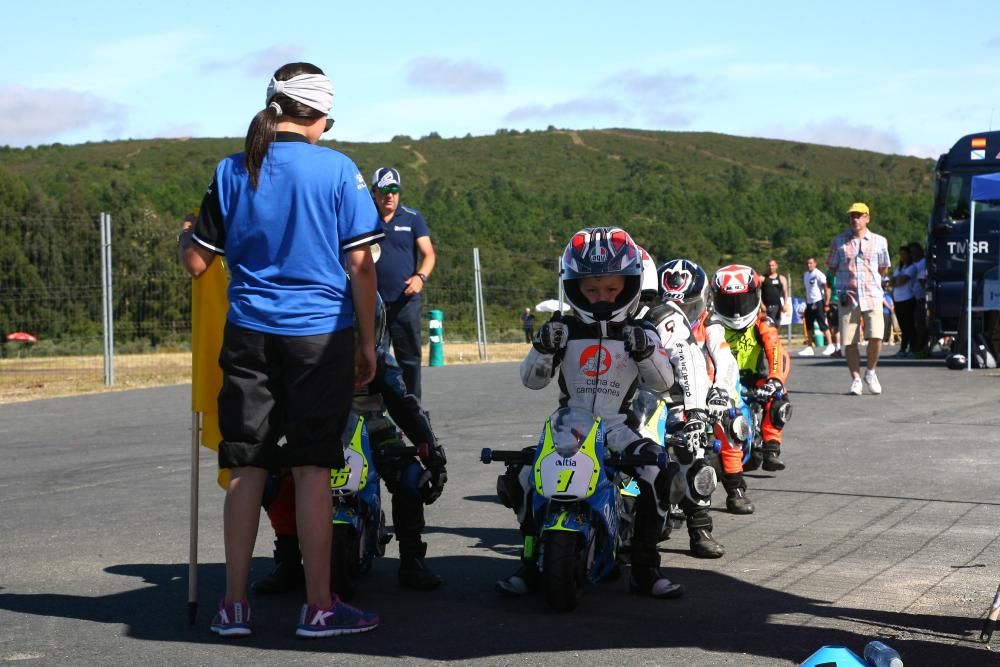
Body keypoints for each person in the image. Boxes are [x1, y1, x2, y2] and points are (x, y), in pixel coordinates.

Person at [179, 62, 382, 639]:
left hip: (248, 333)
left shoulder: (232, 169)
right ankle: (319, 607)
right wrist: (367, 342)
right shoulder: (340, 170)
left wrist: (184, 232)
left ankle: (233, 607)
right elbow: (362, 265)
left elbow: (197, 262)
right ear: (318, 115)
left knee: (246, 465)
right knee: (313, 468)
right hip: (320, 334)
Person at [497, 227, 685, 599]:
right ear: (574, 287)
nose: (603, 298)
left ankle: (646, 570)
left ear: (630, 285)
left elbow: (664, 385)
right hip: (569, 426)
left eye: (612, 289)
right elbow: (532, 381)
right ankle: (529, 562)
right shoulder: (561, 328)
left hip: (619, 431)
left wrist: (647, 351)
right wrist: (543, 349)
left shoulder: (643, 329)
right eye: (592, 289)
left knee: (653, 477)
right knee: (522, 478)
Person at [252, 297, 447, 596]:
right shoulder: (305, 360)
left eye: (357, 330)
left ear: (373, 329)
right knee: (275, 479)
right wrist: (265, 444)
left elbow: (404, 404)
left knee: (410, 476)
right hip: (320, 433)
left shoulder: (380, 360)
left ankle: (412, 560)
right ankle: (288, 561)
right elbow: (281, 405)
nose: (349, 339)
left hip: (376, 432)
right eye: (342, 330)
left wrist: (430, 449)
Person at [639, 253, 724, 559]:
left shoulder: (665, 315)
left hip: (672, 399)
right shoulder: (602, 318)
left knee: (693, 453)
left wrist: (696, 412)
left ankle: (700, 528)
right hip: (629, 402)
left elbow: (687, 361)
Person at [662, 259, 756, 515]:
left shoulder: (710, 322)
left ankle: (735, 487)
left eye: (689, 304)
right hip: (668, 393)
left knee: (732, 420)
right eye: (675, 304)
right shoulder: (656, 321)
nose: (683, 310)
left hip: (709, 389)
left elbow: (723, 356)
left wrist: (721, 390)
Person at [709, 264, 792, 472]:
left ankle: (772, 447)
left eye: (742, 300)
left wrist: (775, 380)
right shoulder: (710, 325)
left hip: (753, 380)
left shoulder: (762, 323)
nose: (736, 310)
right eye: (728, 302)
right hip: (720, 383)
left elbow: (776, 351)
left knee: (779, 395)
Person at [371, 167, 436, 400]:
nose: (390, 195)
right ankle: (378, 417)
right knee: (375, 362)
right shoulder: (364, 218)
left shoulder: (412, 217)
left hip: (405, 303)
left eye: (394, 189)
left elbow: (429, 254)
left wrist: (421, 277)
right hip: (373, 305)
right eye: (384, 190)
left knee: (409, 362)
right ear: (374, 192)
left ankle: (414, 413)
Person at [826, 202, 891, 396]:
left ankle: (870, 372)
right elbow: (832, 266)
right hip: (849, 295)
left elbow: (884, 267)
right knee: (849, 339)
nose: (855, 219)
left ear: (867, 218)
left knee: (877, 335)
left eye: (859, 215)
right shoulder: (839, 241)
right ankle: (855, 379)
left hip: (872, 294)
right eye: (852, 216)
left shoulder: (880, 241)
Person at [799, 257, 835, 356]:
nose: (809, 265)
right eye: (807, 263)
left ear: (815, 264)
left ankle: (831, 345)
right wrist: (805, 303)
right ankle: (809, 347)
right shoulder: (806, 275)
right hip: (809, 303)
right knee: (809, 325)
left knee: (822, 323)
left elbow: (826, 288)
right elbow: (808, 290)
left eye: (811, 263)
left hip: (818, 301)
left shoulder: (818, 274)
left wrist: (826, 303)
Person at [889, 245, 914, 358]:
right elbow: (892, 281)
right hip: (898, 300)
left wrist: (896, 280)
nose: (902, 257)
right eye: (901, 254)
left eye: (904, 254)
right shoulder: (899, 268)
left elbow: (901, 281)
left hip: (908, 299)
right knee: (902, 326)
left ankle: (910, 348)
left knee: (909, 325)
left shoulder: (912, 267)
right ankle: (903, 348)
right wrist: (895, 281)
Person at [908, 242, 928, 357]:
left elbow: (922, 278)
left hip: (922, 298)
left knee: (920, 324)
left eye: (915, 252)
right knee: (915, 324)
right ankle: (917, 347)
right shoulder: (914, 264)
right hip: (914, 297)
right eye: (911, 252)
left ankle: (920, 348)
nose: (913, 254)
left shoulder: (923, 263)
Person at [761, 258, 790, 324]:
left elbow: (785, 292)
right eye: (769, 265)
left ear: (776, 266)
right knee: (767, 328)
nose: (771, 267)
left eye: (773, 265)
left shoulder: (782, 278)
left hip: (777, 307)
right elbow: (757, 292)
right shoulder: (762, 278)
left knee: (776, 326)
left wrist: (785, 304)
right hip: (765, 308)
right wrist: (761, 304)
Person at [824, 268, 841, 356]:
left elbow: (828, 289)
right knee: (835, 326)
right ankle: (838, 348)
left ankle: (838, 348)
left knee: (835, 327)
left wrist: (826, 303)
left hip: (838, 300)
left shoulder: (831, 272)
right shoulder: (830, 273)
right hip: (838, 300)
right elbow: (828, 288)